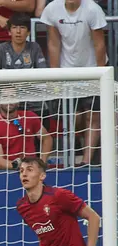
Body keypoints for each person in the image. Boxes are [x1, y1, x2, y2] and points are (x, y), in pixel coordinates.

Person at [41, 0, 106, 165]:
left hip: (92, 68)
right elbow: (53, 43)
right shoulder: (52, 9)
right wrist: (56, 74)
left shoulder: (93, 9)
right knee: (74, 118)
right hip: (67, 70)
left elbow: (99, 44)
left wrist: (99, 74)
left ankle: (86, 161)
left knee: (93, 117)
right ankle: (72, 157)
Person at [0, 98, 53, 169]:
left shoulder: (29, 116)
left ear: (18, 102)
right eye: (5, 97)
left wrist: (42, 162)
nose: (9, 100)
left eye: (12, 97)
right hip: (8, 172)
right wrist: (21, 167)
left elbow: (47, 138)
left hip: (32, 170)